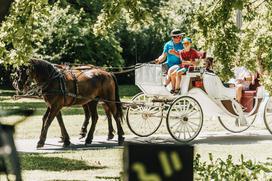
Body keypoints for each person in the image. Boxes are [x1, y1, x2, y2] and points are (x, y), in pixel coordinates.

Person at [155, 29, 184, 93]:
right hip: (168, 64)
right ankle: (162, 88)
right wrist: (158, 60)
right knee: (158, 71)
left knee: (169, 74)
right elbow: (163, 56)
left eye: (181, 36)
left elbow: (184, 57)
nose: (181, 38)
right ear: (174, 37)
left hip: (178, 65)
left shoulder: (183, 45)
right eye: (179, 36)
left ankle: (166, 88)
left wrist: (175, 53)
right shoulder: (168, 44)